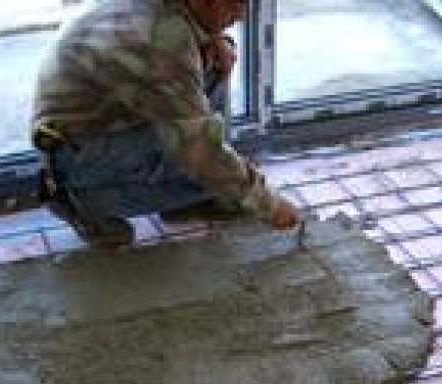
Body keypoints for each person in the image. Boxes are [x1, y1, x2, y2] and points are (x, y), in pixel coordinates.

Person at [31, 0, 300, 247]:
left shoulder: (169, 15)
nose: (241, 15)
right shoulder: (163, 42)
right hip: (76, 152)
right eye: (233, 4)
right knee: (199, 157)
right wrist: (270, 205)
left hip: (99, 116)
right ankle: (79, 202)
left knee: (215, 58)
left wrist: (213, 36)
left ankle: (190, 198)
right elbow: (201, 151)